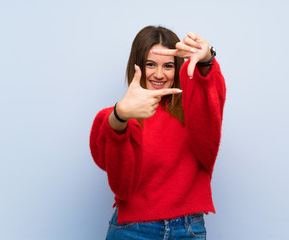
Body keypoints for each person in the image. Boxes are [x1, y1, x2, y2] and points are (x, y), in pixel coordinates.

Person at [90, 26, 226, 240]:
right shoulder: (115, 117)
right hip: (132, 230)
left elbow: (211, 111)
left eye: (168, 66)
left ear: (178, 67)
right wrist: (119, 118)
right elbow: (121, 187)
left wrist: (207, 59)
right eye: (150, 64)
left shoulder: (192, 112)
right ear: (136, 66)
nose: (159, 74)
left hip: (187, 229)